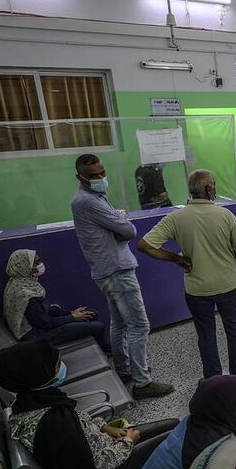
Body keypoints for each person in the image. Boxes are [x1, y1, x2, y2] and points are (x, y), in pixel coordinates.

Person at [0, 341, 179, 469]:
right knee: (176, 438)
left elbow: (78, 421)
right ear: (40, 375)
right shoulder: (55, 423)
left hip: (100, 445)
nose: (62, 368)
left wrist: (104, 427)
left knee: (174, 425)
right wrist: (128, 442)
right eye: (56, 366)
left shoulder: (31, 400)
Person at [71, 153, 173, 399]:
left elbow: (119, 229)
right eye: (93, 175)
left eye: (101, 172)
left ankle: (123, 368)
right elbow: (128, 230)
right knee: (139, 325)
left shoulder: (92, 197)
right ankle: (142, 383)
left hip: (105, 270)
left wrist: (117, 224)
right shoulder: (88, 201)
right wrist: (120, 223)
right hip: (117, 270)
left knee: (119, 322)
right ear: (79, 177)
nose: (100, 178)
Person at [138, 169, 236, 379]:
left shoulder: (176, 218)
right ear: (209, 190)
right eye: (214, 185)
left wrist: (177, 259)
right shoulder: (225, 215)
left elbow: (144, 245)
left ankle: (213, 378)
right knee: (234, 330)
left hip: (197, 290)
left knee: (206, 335)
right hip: (228, 284)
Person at [1, 249, 109, 352]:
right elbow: (45, 323)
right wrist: (72, 317)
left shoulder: (22, 283)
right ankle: (109, 353)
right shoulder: (25, 295)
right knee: (98, 327)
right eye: (36, 263)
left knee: (92, 314)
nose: (40, 264)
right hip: (38, 335)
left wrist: (70, 314)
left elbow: (44, 311)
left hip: (42, 324)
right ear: (25, 267)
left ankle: (103, 350)